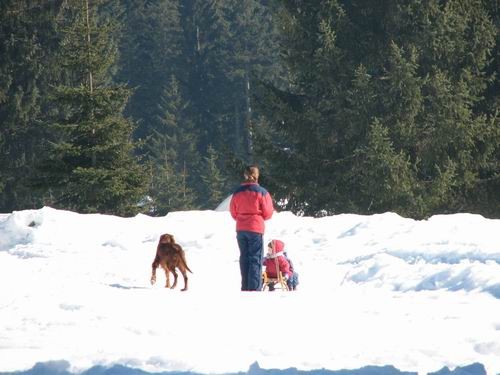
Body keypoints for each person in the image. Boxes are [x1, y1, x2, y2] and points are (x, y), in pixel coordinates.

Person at [230, 165, 274, 291]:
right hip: (255, 227)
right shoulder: (261, 192)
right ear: (257, 176)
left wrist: (241, 218)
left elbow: (233, 212)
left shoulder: (237, 192)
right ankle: (254, 289)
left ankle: (245, 287)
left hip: (241, 228)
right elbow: (268, 212)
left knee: (244, 257)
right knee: (255, 258)